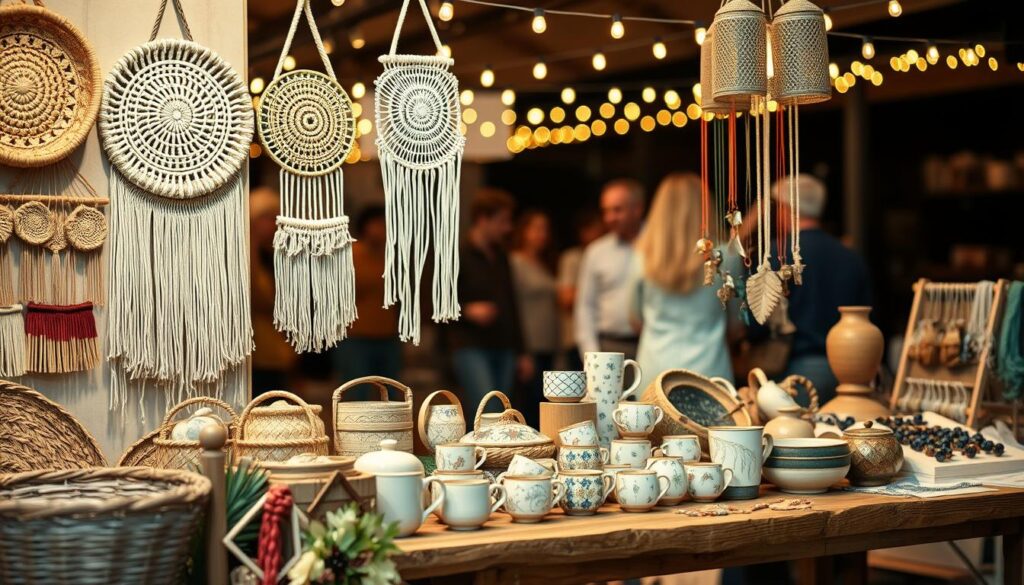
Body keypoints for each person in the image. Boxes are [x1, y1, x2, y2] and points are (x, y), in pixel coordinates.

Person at [628, 173, 737, 390]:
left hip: (654, 373)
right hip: (710, 373)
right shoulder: (727, 255)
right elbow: (736, 325)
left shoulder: (641, 256)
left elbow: (635, 320)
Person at [770, 174, 872, 403]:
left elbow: (759, 318)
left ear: (787, 209)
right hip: (847, 371)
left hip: (793, 371)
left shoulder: (777, 254)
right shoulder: (850, 257)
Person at [447, 188, 530, 425]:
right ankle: (482, 460)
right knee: (487, 408)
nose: (508, 228)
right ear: (483, 219)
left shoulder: (501, 255)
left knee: (502, 411)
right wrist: (467, 310)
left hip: (503, 343)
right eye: (502, 221)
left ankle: (493, 459)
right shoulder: (456, 253)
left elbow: (512, 302)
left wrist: (522, 350)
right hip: (470, 344)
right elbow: (433, 304)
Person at [575, 178, 646, 359]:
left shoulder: (659, 246)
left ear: (637, 209)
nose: (609, 218)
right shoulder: (596, 251)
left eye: (617, 210)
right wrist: (590, 354)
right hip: (609, 347)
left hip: (652, 345)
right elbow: (585, 306)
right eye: (605, 211)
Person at [333, 206, 402, 389]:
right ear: (367, 226)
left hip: (387, 334)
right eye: (379, 224)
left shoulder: (389, 256)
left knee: (391, 392)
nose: (384, 229)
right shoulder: (351, 254)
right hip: (356, 335)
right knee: (357, 391)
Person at [511, 210, 559, 428]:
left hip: (547, 342)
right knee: (529, 403)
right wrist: (522, 351)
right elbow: (513, 306)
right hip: (530, 342)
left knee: (544, 401)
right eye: (537, 228)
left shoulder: (543, 263)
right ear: (524, 231)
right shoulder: (516, 262)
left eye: (545, 229)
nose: (542, 234)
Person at [249, 187, 298, 394]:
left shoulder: (276, 255)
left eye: (273, 219)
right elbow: (258, 298)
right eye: (265, 218)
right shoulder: (248, 255)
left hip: (276, 348)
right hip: (255, 348)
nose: (271, 224)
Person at [557, 210, 606, 370]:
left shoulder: (606, 253)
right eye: (594, 229)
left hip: (603, 337)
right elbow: (566, 298)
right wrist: (600, 291)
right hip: (575, 337)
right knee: (579, 390)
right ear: (583, 232)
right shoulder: (572, 258)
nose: (599, 233)